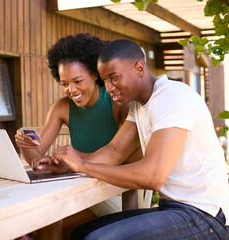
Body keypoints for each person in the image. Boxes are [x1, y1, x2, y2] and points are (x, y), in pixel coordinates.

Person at [48, 39, 229, 239]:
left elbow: (152, 176)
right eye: (104, 80)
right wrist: (67, 164)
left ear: (139, 68)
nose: (108, 87)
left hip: (206, 216)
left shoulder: (172, 97)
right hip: (173, 209)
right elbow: (114, 151)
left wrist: (83, 165)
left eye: (114, 78)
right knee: (81, 233)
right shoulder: (138, 106)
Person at [14, 33, 134, 239]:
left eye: (77, 81)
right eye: (64, 84)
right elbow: (37, 157)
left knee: (47, 219)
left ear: (95, 75)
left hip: (110, 190)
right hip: (75, 189)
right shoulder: (62, 107)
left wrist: (75, 160)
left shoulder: (117, 103)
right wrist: (26, 144)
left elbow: (123, 156)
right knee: (45, 216)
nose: (71, 90)